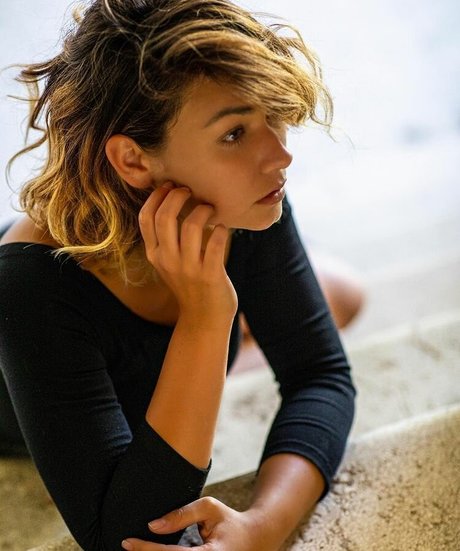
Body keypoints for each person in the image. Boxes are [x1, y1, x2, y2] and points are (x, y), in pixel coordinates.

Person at [0, 1, 357, 549]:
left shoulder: (245, 201)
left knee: (348, 295)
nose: (280, 156)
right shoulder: (31, 289)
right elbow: (122, 536)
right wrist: (207, 318)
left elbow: (321, 374)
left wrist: (263, 525)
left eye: (272, 115)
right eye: (234, 133)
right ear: (134, 160)